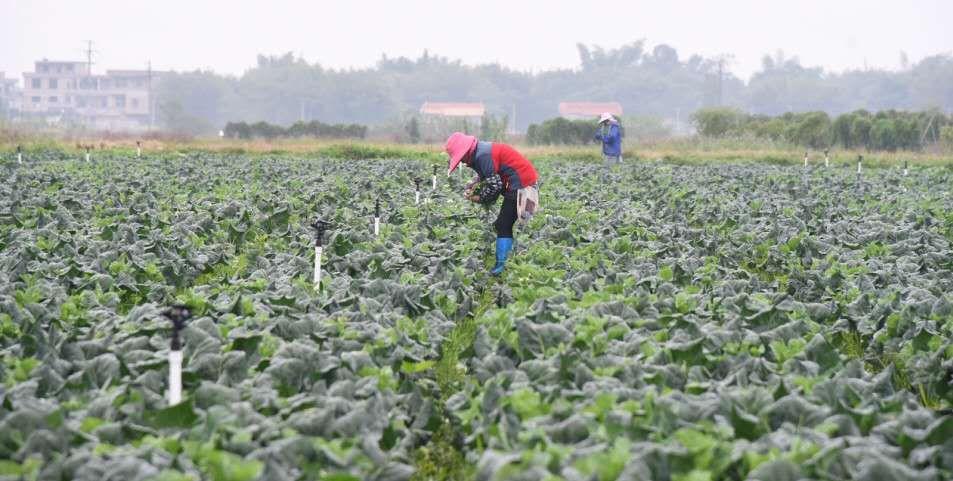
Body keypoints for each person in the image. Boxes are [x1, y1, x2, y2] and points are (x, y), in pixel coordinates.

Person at [445, 132, 539, 275]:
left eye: (461, 159)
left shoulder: (482, 156)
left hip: (521, 184)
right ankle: (507, 262)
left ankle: (502, 266)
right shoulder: (480, 152)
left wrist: (478, 198)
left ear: (466, 152)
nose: (462, 162)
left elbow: (495, 186)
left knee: (503, 224)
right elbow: (488, 175)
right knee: (502, 224)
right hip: (516, 183)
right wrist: (473, 185)